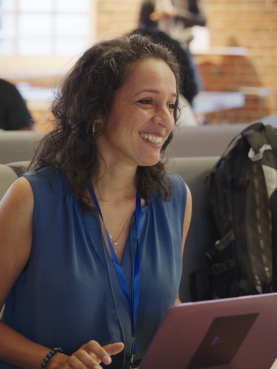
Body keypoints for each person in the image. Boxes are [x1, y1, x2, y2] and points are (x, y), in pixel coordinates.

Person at [0, 34, 192, 369]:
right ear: (97, 111)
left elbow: (167, 303)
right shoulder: (32, 198)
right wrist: (53, 361)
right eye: (147, 101)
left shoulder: (174, 198)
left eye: (172, 104)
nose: (165, 119)